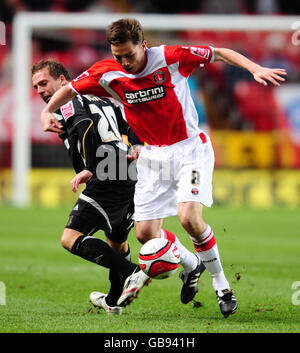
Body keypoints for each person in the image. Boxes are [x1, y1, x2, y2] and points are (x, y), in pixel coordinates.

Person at [40, 19, 287, 318]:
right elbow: (70, 90)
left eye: (129, 55)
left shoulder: (169, 57)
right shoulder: (106, 72)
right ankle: (191, 264)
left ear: (143, 46)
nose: (124, 62)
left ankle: (222, 286)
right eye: (118, 56)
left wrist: (254, 68)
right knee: (145, 234)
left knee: (189, 219)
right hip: (153, 156)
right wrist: (46, 111)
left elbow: (219, 52)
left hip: (190, 149)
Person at [32, 59, 150, 315]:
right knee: (117, 242)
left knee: (69, 238)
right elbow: (128, 122)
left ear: (62, 81)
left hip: (106, 173)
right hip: (126, 171)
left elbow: (84, 127)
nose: (40, 91)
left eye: (44, 83)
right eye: (36, 87)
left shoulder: (69, 102)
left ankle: (134, 273)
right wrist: (139, 144)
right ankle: (113, 301)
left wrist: (91, 168)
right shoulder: (101, 99)